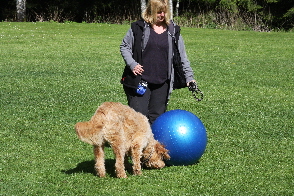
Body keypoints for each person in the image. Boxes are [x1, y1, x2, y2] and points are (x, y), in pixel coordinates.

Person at [120, 0, 195, 125]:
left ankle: (152, 144)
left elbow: (182, 57)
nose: (162, 15)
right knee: (139, 117)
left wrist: (189, 77)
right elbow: (124, 46)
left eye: (164, 12)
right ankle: (135, 144)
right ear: (151, 12)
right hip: (141, 80)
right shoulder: (138, 28)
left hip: (162, 82)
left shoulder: (173, 31)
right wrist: (132, 64)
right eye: (159, 12)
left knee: (157, 119)